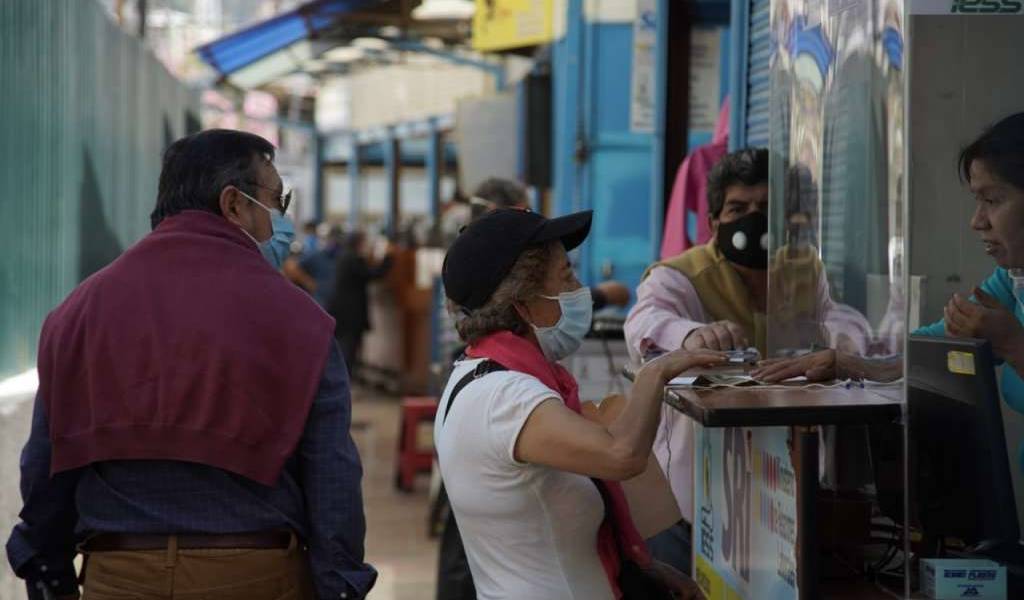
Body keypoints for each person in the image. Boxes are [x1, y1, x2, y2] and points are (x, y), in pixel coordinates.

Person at [5, 129, 376, 600]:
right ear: (234, 204)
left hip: (118, 576)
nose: (280, 218)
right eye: (277, 200)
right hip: (254, 578)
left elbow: (47, 461)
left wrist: (46, 564)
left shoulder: (79, 311)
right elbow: (331, 474)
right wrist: (340, 585)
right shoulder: (299, 320)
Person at [437, 207, 721, 600]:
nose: (579, 289)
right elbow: (622, 455)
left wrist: (642, 568)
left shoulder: (483, 375)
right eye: (566, 276)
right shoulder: (504, 398)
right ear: (523, 304)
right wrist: (655, 373)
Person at [753, 113, 1024, 472]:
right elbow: (931, 350)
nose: (977, 221)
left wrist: (1014, 345)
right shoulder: (1012, 282)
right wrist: (848, 364)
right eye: (978, 201)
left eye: (993, 200)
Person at [328, 230, 393, 377]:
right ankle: (345, 380)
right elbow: (373, 274)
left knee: (345, 349)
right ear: (359, 243)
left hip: (341, 312)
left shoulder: (344, 256)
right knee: (349, 349)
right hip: (350, 314)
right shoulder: (353, 259)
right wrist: (389, 257)